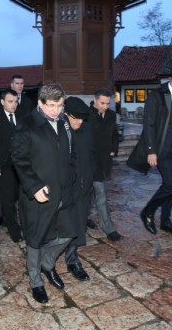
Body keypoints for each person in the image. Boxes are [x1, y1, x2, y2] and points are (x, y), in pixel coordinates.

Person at [11, 84, 76, 304]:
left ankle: (47, 264)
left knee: (69, 231)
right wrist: (34, 186)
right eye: (52, 106)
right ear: (40, 103)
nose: (57, 111)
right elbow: (19, 159)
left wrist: (72, 176)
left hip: (64, 191)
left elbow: (70, 152)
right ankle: (36, 280)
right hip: (38, 193)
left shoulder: (64, 121)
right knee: (35, 240)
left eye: (60, 105)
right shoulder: (27, 125)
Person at [129, 64, 172, 235]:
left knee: (171, 185)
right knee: (171, 183)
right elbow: (148, 125)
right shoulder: (156, 96)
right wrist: (151, 150)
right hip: (162, 147)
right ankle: (148, 211)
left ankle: (166, 221)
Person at [60, 96, 95, 281]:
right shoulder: (59, 129)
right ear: (66, 114)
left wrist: (91, 179)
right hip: (65, 188)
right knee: (64, 225)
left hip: (83, 185)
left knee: (78, 223)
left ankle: (72, 260)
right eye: (76, 118)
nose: (79, 122)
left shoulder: (86, 128)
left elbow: (90, 154)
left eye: (82, 118)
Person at [88, 88, 123, 242]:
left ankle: (107, 228)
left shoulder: (111, 115)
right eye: (102, 103)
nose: (105, 106)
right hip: (88, 163)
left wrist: (113, 150)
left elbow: (115, 134)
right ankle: (87, 220)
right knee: (91, 195)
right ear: (95, 100)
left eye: (108, 103)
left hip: (104, 163)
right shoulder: (86, 115)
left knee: (99, 195)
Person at [0, 88, 23, 242]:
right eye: (10, 102)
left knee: (21, 197)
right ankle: (15, 231)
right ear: (2, 102)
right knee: (9, 200)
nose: (13, 105)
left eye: (16, 101)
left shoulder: (21, 116)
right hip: (4, 167)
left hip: (21, 165)